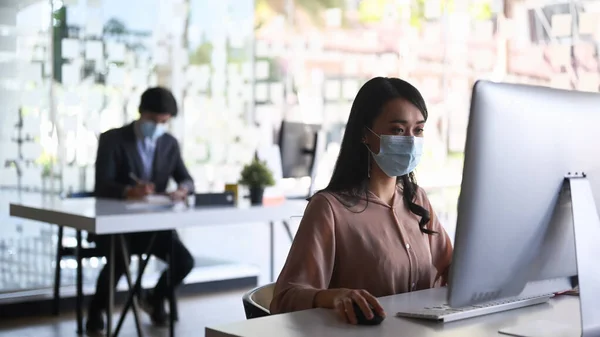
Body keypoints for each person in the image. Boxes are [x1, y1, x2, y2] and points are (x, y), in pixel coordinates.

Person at [270, 77, 453, 324]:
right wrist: (331, 297)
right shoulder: (330, 209)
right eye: (398, 130)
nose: (410, 140)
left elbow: (452, 269)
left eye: (418, 130)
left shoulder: (416, 199)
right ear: (365, 134)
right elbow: (284, 298)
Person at [86, 87, 195, 333]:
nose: (157, 126)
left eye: (163, 122)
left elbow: (187, 179)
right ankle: (96, 309)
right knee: (119, 261)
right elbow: (102, 184)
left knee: (184, 261)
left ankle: (154, 298)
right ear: (142, 113)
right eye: (153, 120)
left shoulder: (169, 144)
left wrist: (182, 190)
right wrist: (128, 191)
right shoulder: (113, 139)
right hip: (115, 226)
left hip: (152, 227)